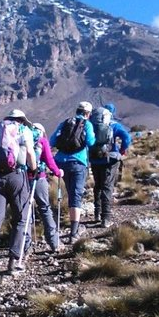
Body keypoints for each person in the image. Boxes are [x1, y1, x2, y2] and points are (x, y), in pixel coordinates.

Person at [0, 109, 37, 279]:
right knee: (21, 218)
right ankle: (14, 260)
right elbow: (30, 154)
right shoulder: (23, 130)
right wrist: (33, 170)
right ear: (21, 120)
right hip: (17, 176)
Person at [50, 101, 96, 244]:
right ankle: (73, 233)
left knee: (69, 192)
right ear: (88, 113)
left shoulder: (65, 122)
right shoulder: (87, 124)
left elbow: (52, 140)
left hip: (61, 162)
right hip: (78, 163)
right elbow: (90, 141)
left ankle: (57, 227)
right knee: (76, 195)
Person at [89, 103, 131, 228]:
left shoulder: (91, 125)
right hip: (110, 160)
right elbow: (127, 138)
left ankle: (97, 213)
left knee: (98, 185)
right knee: (107, 187)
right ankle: (105, 218)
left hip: (95, 159)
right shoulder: (114, 125)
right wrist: (122, 150)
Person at [31, 123, 63, 252]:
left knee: (24, 212)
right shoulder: (42, 141)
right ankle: (54, 242)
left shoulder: (22, 138)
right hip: (39, 178)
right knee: (44, 208)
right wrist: (58, 172)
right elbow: (49, 160)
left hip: (23, 179)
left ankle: (25, 246)